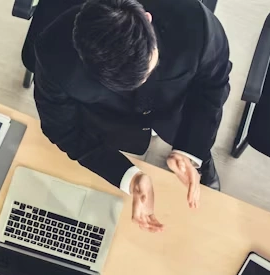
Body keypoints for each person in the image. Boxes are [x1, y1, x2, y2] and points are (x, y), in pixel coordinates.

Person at [28, 0, 232, 232]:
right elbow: (62, 129)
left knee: (200, 158)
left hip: (178, 111)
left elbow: (213, 84)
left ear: (147, 18)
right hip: (112, 121)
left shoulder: (197, 23)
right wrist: (128, 176)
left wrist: (191, 149)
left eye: (148, 70)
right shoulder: (53, 55)